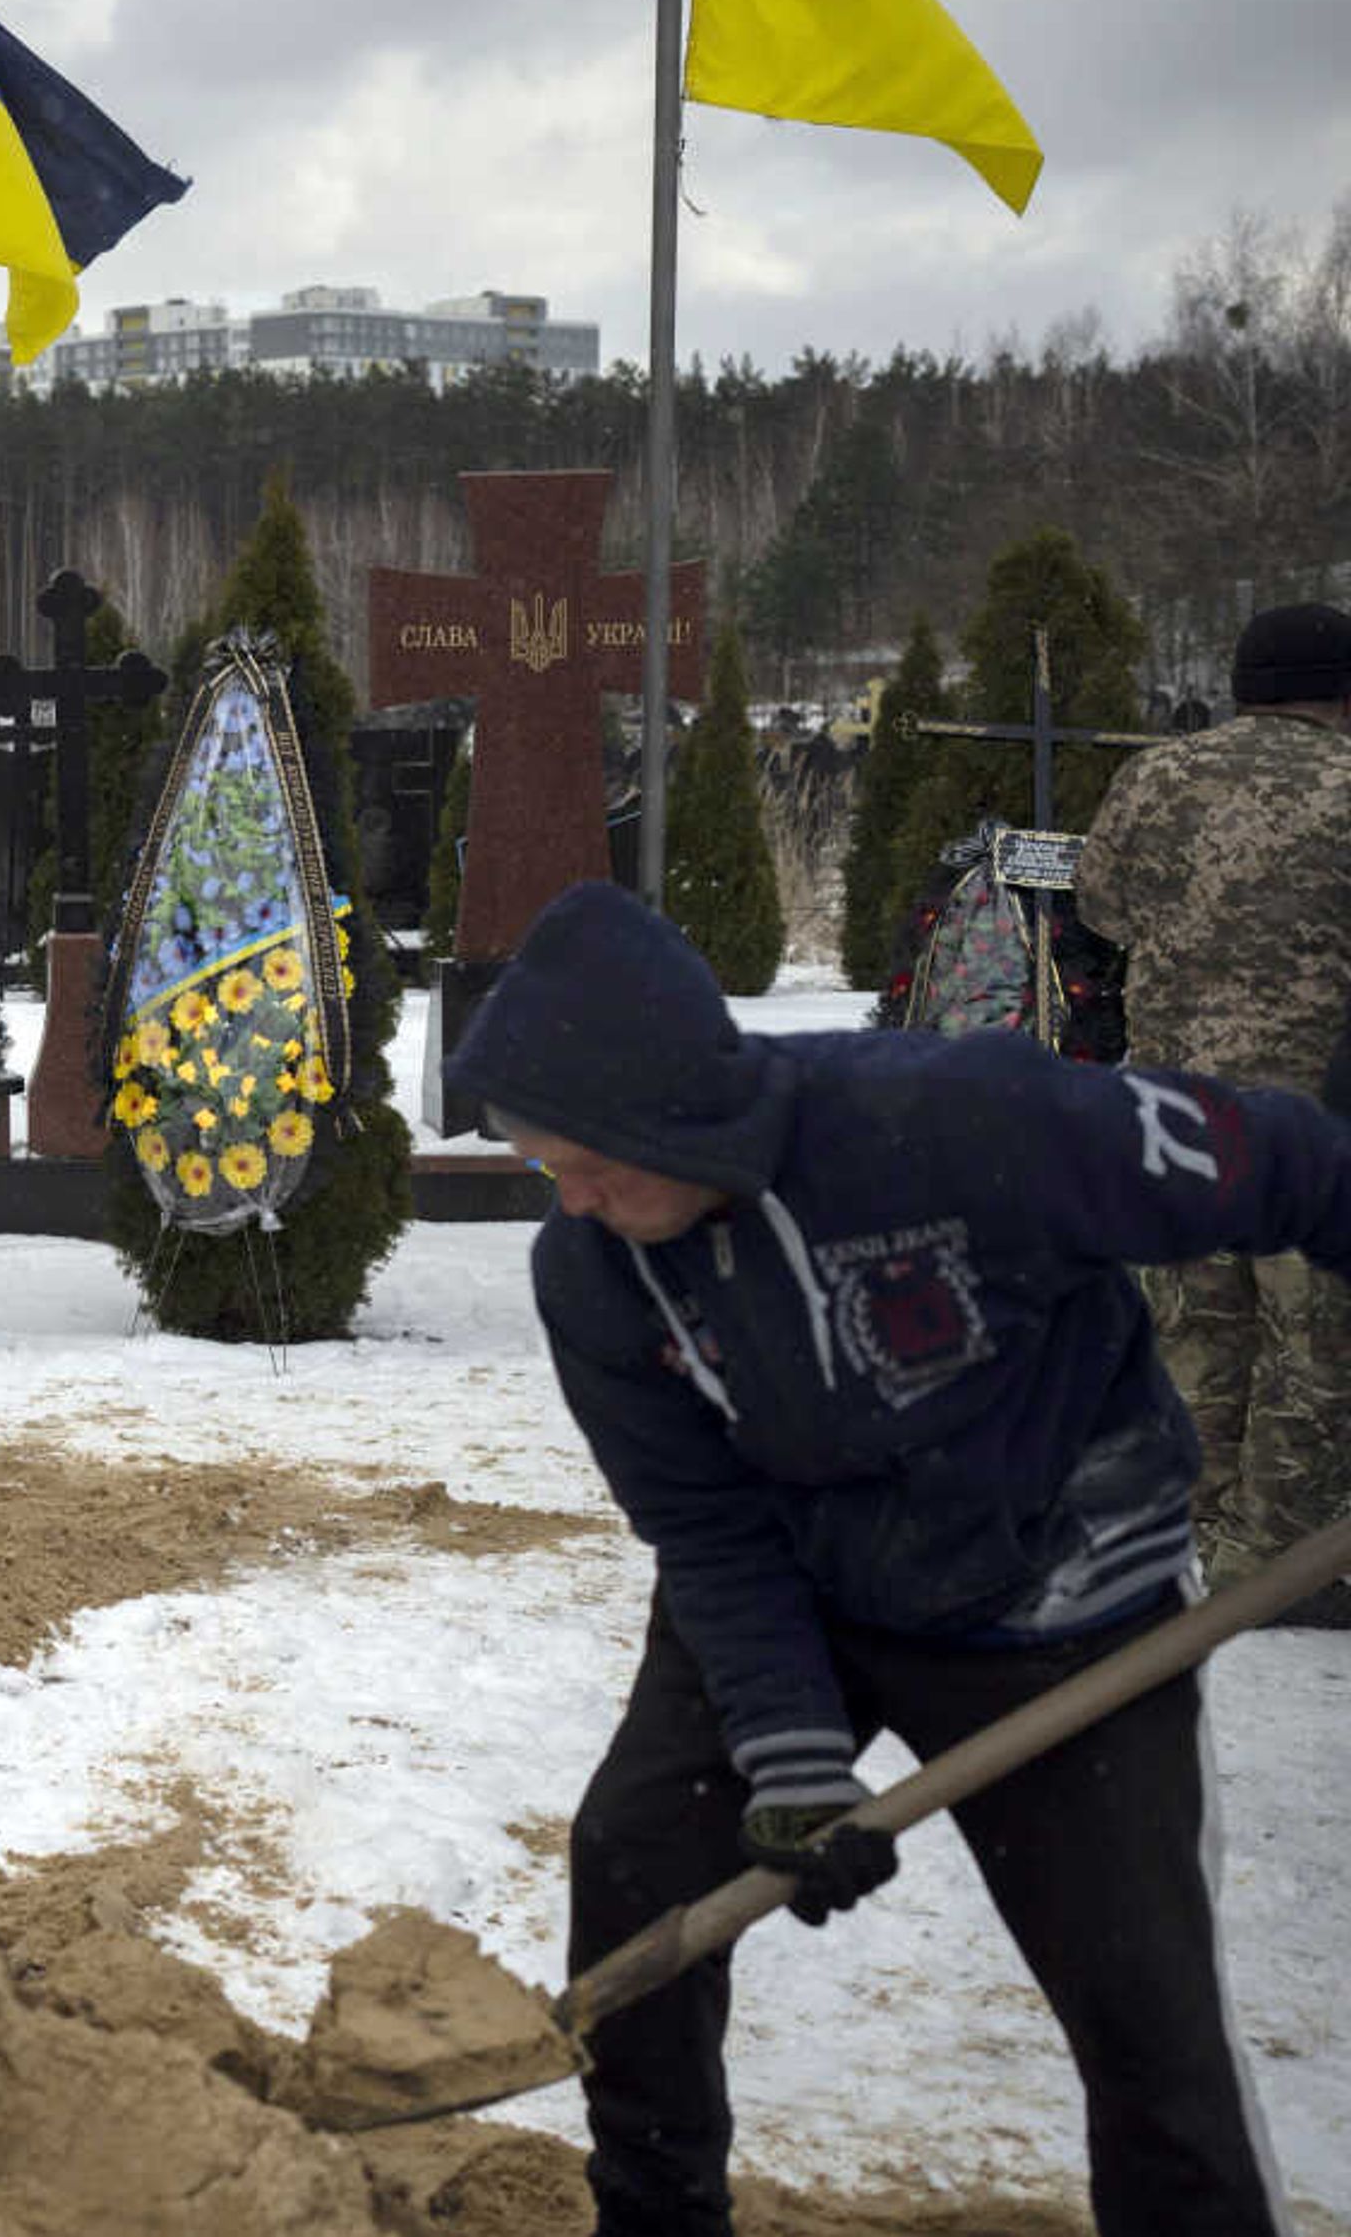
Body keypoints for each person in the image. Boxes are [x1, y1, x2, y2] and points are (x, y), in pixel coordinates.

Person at [448, 878, 1351, 2237]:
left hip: (1062, 1598)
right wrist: (790, 1745)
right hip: (799, 1579)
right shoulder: (592, 1273)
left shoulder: (962, 1122)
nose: (566, 1198)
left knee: (1143, 1999)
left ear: (675, 1111)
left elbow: (1274, 1160)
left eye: (588, 1158)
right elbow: (704, 1525)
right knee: (635, 1864)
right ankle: (656, 2211)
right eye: (540, 1163)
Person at [1076, 599, 1351, 1621]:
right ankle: (1279, 1562)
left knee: (1193, 1320)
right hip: (1312, 1121)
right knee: (1312, 1342)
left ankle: (1184, 1530)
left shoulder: (1158, 775)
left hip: (1178, 1109)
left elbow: (1101, 906)